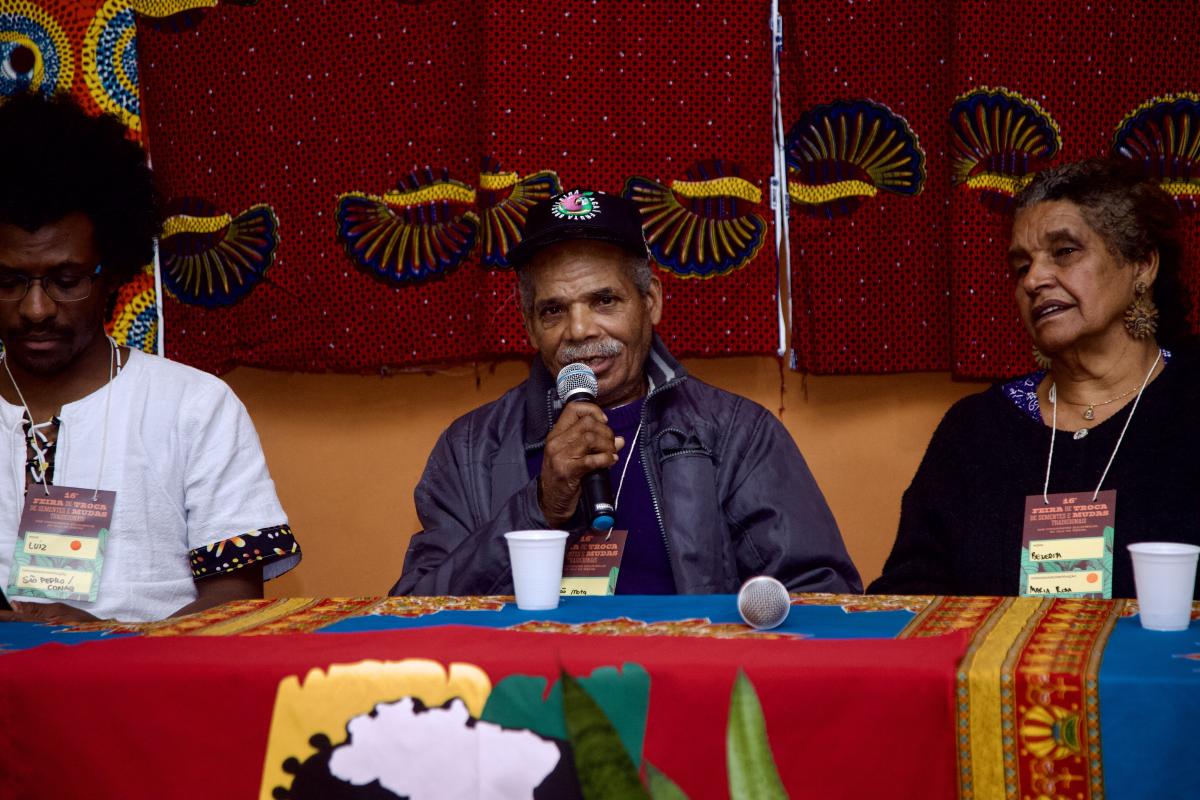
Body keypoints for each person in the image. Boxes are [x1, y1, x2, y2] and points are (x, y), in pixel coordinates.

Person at [393, 189, 860, 596]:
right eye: (554, 310)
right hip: (529, 672)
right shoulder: (471, 449)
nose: (579, 330)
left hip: (686, 668)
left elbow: (820, 593)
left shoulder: (738, 434)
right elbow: (416, 610)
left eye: (604, 300)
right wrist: (538, 507)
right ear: (530, 325)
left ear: (650, 301)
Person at [0, 92, 299, 623]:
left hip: (147, 673)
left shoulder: (194, 406)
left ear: (113, 272)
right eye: (9, 282)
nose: (36, 308)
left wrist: (112, 639)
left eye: (66, 281)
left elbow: (235, 602)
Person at [871, 159, 1200, 598]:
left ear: (1142, 264)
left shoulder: (1190, 404)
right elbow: (908, 594)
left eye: (1064, 251)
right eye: (1021, 266)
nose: (1034, 280)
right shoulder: (977, 430)